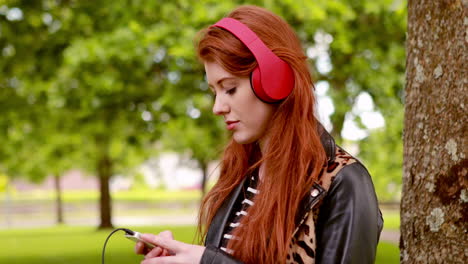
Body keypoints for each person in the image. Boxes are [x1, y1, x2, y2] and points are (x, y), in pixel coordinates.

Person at [135, 5, 383, 264]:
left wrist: (208, 262)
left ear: (275, 81)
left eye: (229, 89)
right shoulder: (241, 172)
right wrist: (180, 258)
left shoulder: (344, 182)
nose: (217, 107)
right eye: (214, 91)